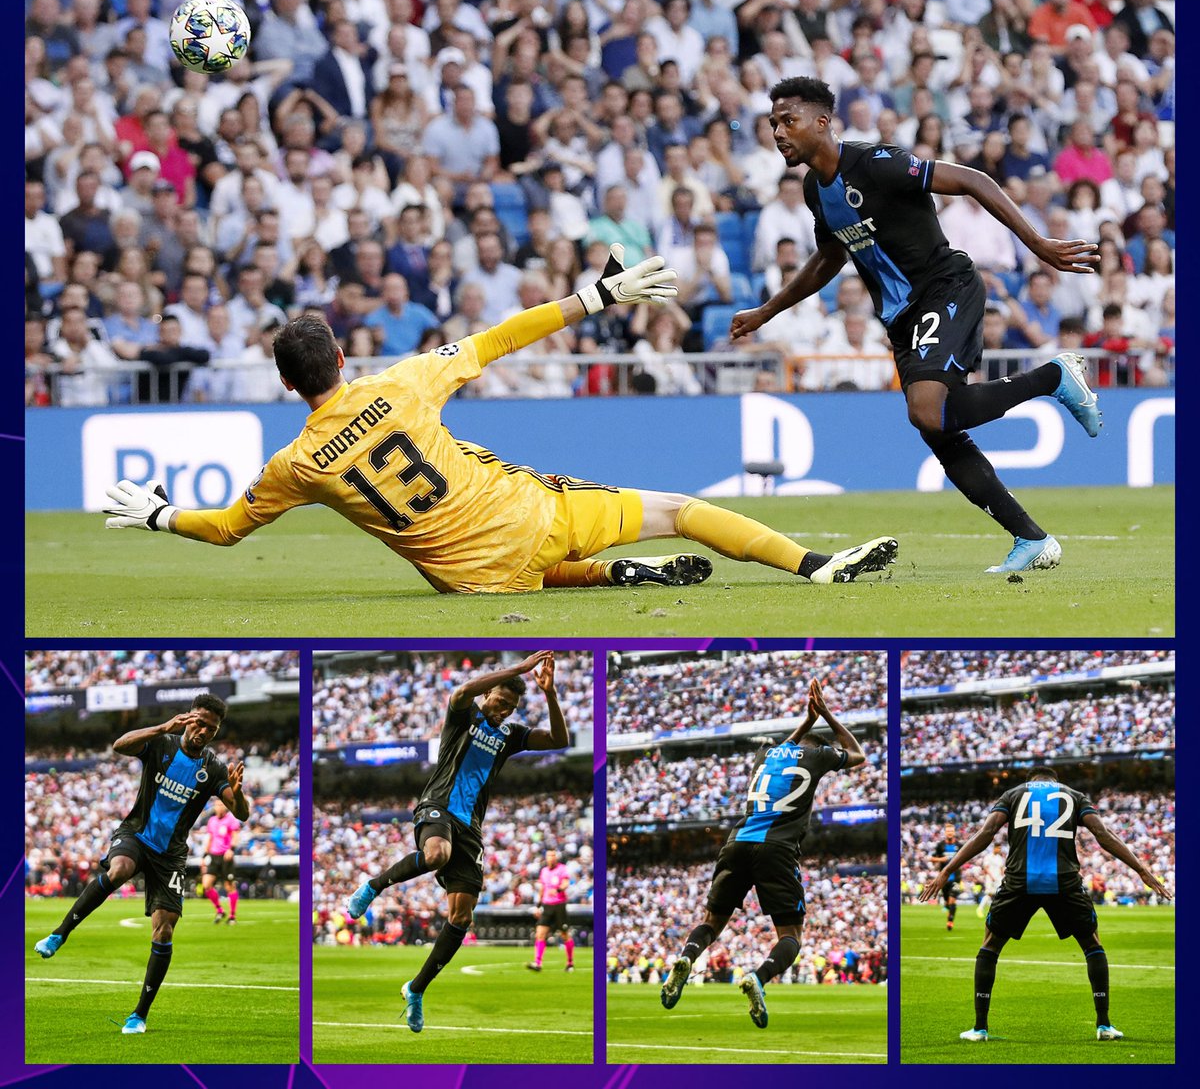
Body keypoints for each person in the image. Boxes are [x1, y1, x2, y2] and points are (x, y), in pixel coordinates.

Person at [103, 244, 896, 591]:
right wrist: (596, 296)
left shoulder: (296, 466)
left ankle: (608, 578)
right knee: (678, 510)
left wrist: (161, 514)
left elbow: (228, 529)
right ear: (342, 358)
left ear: (285, 384)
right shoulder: (403, 383)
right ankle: (812, 565)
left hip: (464, 580)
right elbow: (499, 336)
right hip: (529, 521)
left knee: (498, 568)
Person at [731, 77, 1102, 574]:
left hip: (944, 286)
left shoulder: (875, 163)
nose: (778, 131)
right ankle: (1031, 539)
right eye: (774, 122)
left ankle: (1053, 377)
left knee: (928, 410)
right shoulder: (814, 191)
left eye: (788, 120)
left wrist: (1037, 244)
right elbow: (827, 259)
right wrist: (767, 311)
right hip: (901, 318)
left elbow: (972, 179)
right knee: (938, 430)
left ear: (822, 121)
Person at [344, 652, 565, 1031]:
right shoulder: (466, 714)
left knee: (461, 917)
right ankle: (373, 885)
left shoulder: (510, 736)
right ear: (487, 695)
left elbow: (559, 739)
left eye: (511, 706)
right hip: (438, 806)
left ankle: (416, 989)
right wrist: (520, 668)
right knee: (435, 854)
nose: (505, 710)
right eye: (500, 701)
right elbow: (462, 690)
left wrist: (550, 694)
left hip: (471, 827)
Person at [33, 696, 249, 1035]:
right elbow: (120, 745)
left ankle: (139, 1015)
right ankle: (60, 934)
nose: (204, 731)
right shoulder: (161, 744)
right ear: (188, 718)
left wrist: (238, 795)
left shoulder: (214, 767)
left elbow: (241, 812)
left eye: (211, 728)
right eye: (200, 722)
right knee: (118, 870)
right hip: (137, 834)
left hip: (171, 855)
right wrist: (163, 726)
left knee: (164, 930)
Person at [660, 679, 864, 1027]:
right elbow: (858, 755)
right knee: (791, 935)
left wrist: (805, 721)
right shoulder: (818, 754)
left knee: (712, 922)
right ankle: (758, 977)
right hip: (777, 848)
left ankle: (686, 957)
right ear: (816, 747)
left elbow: (788, 744)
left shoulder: (766, 754)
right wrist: (826, 714)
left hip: (737, 841)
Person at [920, 767, 1172, 1043]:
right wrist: (1141, 870)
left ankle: (980, 1028)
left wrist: (946, 870)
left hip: (1019, 882)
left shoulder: (1014, 794)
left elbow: (987, 831)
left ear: (1031, 780)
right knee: (1092, 944)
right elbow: (1103, 834)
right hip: (1063, 882)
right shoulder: (1074, 795)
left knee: (990, 944)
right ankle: (1104, 1025)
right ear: (1054, 780)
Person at [527, 849, 575, 973]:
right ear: (546, 858)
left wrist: (558, 890)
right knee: (540, 933)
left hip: (559, 905)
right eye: (549, 855)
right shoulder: (544, 871)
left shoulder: (562, 869)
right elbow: (542, 889)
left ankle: (570, 963)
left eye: (553, 855)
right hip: (547, 906)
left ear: (556, 857)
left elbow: (565, 883)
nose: (551, 858)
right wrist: (538, 905)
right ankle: (538, 963)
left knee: (564, 935)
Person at [201, 799, 242, 924]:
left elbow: (235, 836)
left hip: (226, 856)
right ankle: (219, 910)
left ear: (225, 807)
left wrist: (231, 849)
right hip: (214, 856)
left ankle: (232, 916)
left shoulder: (231, 819)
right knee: (206, 885)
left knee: (229, 886)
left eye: (220, 805)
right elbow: (210, 838)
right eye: (216, 805)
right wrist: (205, 855)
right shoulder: (212, 821)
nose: (218, 807)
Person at [931, 823, 962, 931]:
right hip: (944, 879)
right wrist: (941, 859)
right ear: (945, 833)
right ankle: (948, 907)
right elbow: (932, 858)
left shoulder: (959, 845)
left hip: (956, 878)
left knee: (952, 900)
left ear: (954, 832)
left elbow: (966, 857)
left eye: (951, 831)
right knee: (947, 902)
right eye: (948, 831)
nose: (950, 833)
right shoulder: (940, 846)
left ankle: (950, 921)